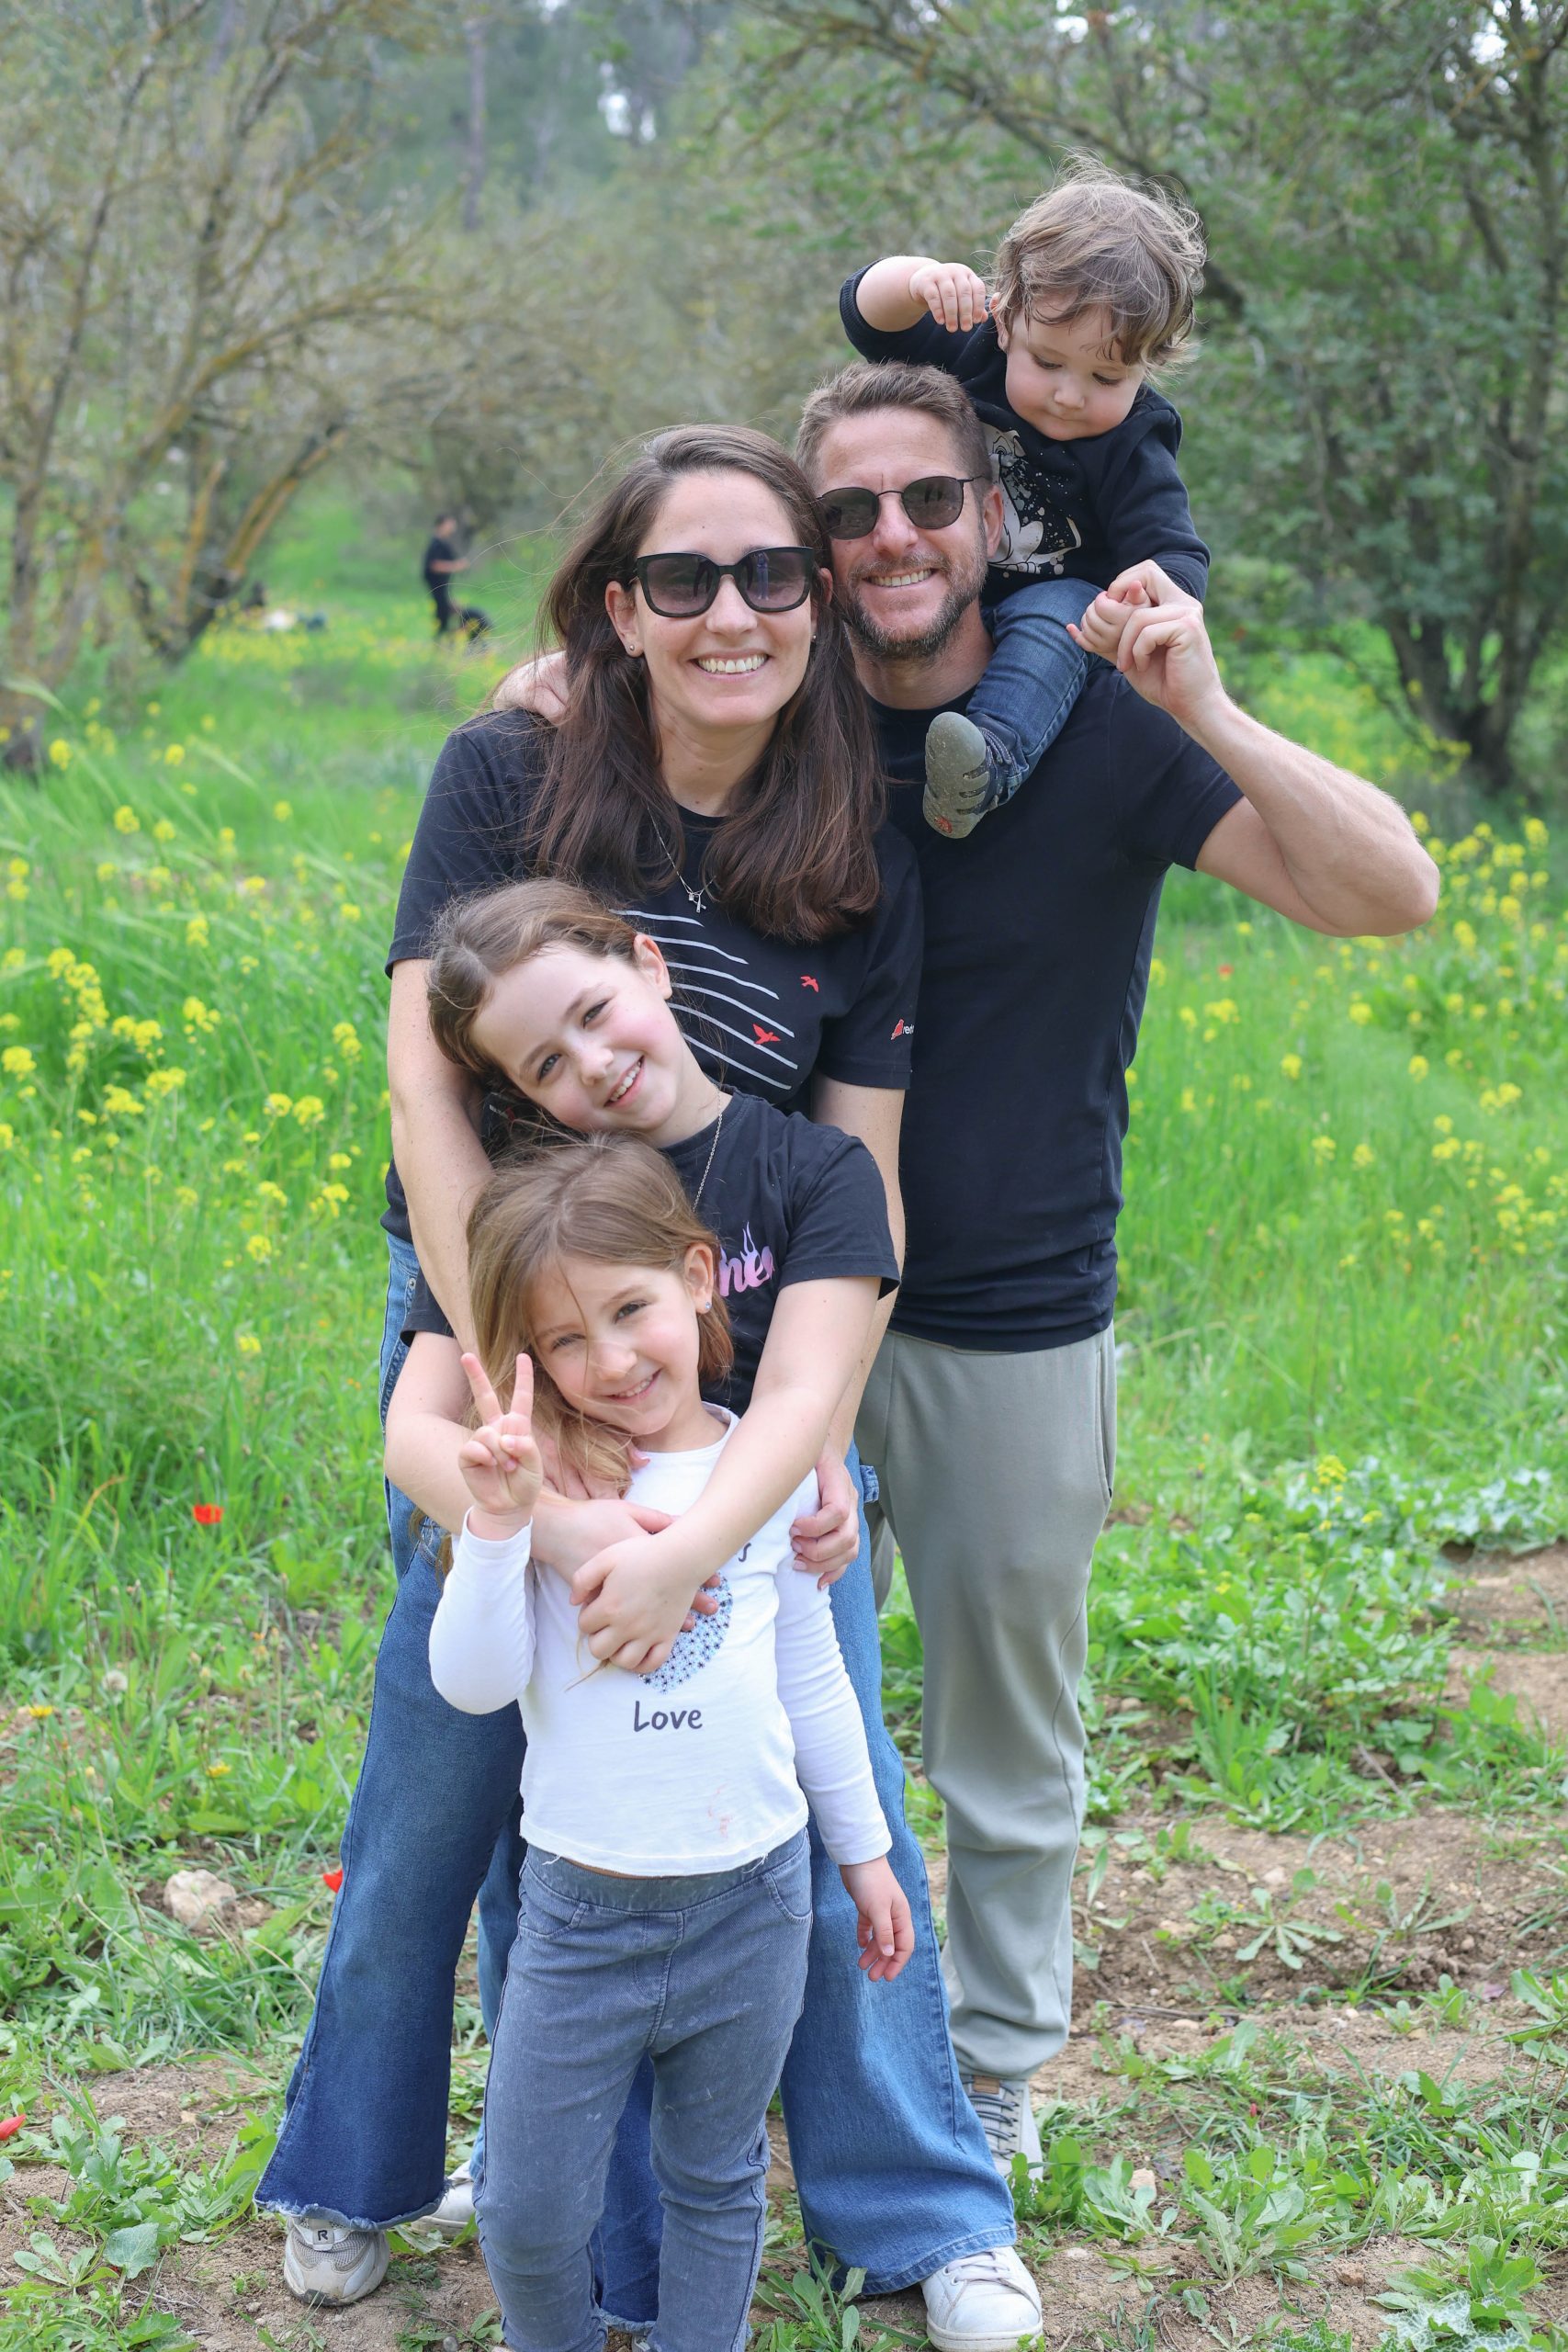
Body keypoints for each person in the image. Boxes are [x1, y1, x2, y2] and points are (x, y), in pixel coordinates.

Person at [496, 360, 1437, 2192]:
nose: (892, 539)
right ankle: (708, 2087)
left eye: (928, 499)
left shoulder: (1096, 722)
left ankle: (990, 2077)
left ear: (994, 517)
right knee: (711, 1716)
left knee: (1004, 1745)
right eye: (845, 514)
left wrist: (1203, 706)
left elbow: (1384, 891)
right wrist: (551, 685)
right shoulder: (789, 718)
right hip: (754, 1324)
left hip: (1013, 1312)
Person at [260, 425, 1032, 2352]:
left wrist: (785, 1451)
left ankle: (919, 2210)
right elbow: (427, 1075)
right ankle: (365, 2170)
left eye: (769, 572)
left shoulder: (857, 836)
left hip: (739, 1355)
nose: (729, 613)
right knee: (453, 1783)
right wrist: (534, 1432)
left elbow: (854, 1176)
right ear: (618, 605)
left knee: (817, 1769)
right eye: (680, 579)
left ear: (818, 596)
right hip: (501, 1320)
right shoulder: (511, 769)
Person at [415, 1136, 912, 2352]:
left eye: (629, 1309)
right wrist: (497, 1525)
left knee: (717, 2176)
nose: (611, 1359)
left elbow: (813, 1680)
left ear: (697, 1277)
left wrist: (864, 1855)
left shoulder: (763, 1471)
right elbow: (473, 1684)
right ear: (531, 1359)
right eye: (566, 1339)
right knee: (529, 2207)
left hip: (750, 1900)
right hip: (582, 1919)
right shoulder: (553, 1491)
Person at [840, 161, 1208, 838]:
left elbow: (1174, 557)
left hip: (1048, 603)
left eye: (1106, 377)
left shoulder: (1135, 441)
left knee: (1056, 616)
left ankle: (985, 765)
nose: (1069, 395)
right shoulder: (972, 351)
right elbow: (864, 318)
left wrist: (1136, 604)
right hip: (937, 573)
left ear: (1148, 365)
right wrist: (917, 280)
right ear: (1005, 319)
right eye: (1047, 362)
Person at [423, 513, 491, 642]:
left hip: (444, 588)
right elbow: (434, 565)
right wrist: (455, 566)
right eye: (449, 524)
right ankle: (442, 643)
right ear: (441, 525)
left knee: (449, 613)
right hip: (437, 586)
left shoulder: (444, 543)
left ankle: (448, 641)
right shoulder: (436, 544)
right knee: (443, 615)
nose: (453, 527)